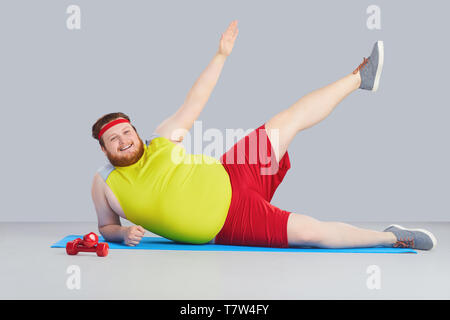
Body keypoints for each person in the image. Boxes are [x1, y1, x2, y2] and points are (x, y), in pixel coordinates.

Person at [91, 20, 436, 250]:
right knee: (311, 232)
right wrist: (121, 233)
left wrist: (221, 54)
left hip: (232, 171)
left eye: (126, 132)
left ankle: (361, 77)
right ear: (105, 149)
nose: (123, 141)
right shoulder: (104, 183)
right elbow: (106, 227)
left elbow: (196, 100)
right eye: (113, 140)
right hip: (231, 222)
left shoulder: (161, 140)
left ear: (135, 132)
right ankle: (392, 238)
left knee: (288, 119)